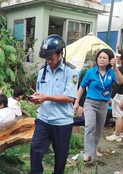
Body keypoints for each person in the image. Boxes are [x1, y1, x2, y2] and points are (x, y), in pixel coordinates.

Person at [29, 34, 78, 174]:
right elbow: (41, 92)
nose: (48, 61)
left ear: (60, 54)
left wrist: (46, 97)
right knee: (35, 149)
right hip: (43, 119)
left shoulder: (71, 72)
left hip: (62, 122)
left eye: (51, 57)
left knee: (60, 156)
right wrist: (37, 97)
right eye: (46, 58)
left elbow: (70, 97)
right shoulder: (42, 72)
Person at [74, 48, 123, 162]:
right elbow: (81, 87)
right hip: (90, 103)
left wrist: (115, 68)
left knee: (98, 129)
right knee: (90, 126)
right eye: (99, 57)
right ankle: (88, 153)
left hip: (104, 104)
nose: (101, 60)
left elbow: (120, 81)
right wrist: (77, 102)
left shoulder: (111, 72)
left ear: (109, 60)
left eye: (104, 58)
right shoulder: (91, 72)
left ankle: (94, 150)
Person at [106, 49, 123, 142]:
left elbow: (118, 85)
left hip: (120, 95)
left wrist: (112, 96)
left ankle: (117, 133)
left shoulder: (119, 69)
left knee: (118, 115)